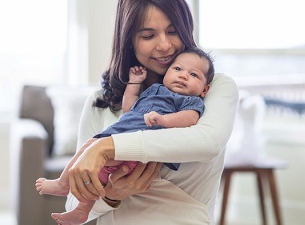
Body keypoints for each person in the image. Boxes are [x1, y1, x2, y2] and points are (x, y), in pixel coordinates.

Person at [65, 0, 238, 225]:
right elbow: (73, 202)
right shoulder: (101, 101)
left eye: (173, 31)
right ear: (129, 41)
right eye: (148, 36)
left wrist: (106, 147)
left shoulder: (214, 89)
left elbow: (207, 143)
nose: (165, 45)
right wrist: (112, 196)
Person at [36, 48, 214, 225]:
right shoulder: (155, 90)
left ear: (204, 89)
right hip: (119, 135)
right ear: (167, 72)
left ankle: (70, 193)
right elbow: (129, 108)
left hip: (139, 146)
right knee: (93, 158)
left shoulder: (190, 100)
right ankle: (75, 200)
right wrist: (134, 83)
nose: (183, 76)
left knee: (98, 163)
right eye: (177, 69)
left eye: (193, 75)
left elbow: (190, 118)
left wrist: (164, 120)